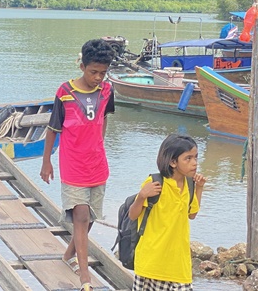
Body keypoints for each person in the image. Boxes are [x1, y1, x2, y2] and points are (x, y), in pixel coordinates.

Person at [39, 38, 116, 291]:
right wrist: (46, 161)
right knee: (80, 216)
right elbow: (53, 129)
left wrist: (99, 144)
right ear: (82, 66)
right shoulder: (65, 92)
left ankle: (68, 255)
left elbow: (103, 118)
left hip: (97, 164)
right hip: (73, 164)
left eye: (103, 73)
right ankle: (85, 277)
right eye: (93, 72)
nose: (98, 78)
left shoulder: (107, 90)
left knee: (90, 217)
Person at [129, 134, 206, 291]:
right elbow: (132, 215)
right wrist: (142, 196)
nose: (195, 163)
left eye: (196, 157)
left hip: (179, 264)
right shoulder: (155, 183)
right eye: (188, 158)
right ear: (172, 162)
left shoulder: (189, 184)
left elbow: (191, 214)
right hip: (151, 263)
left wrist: (199, 188)